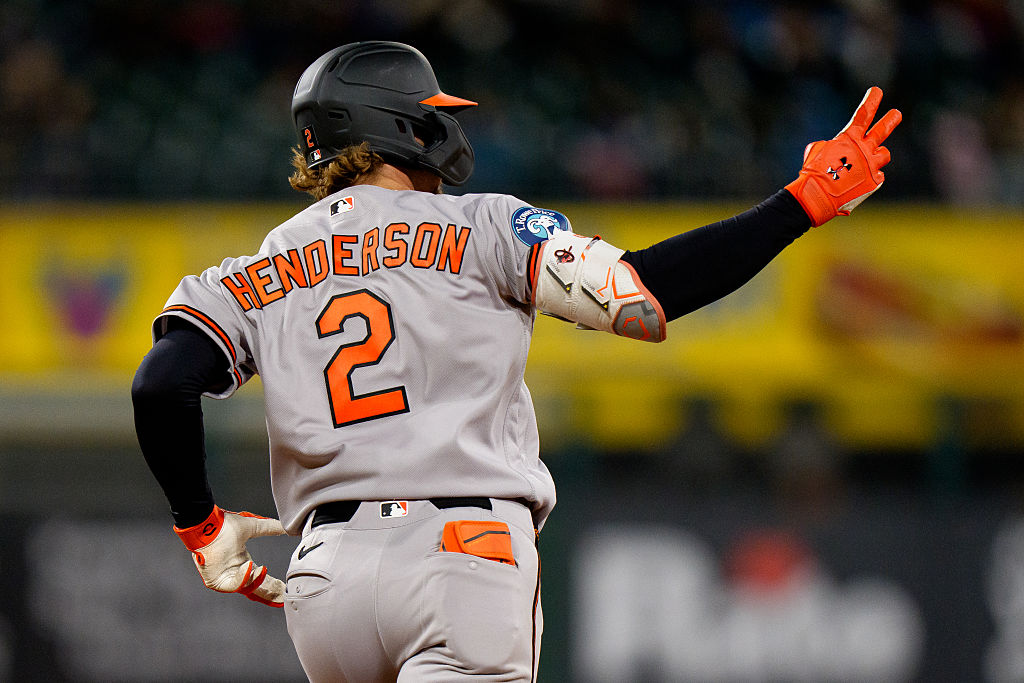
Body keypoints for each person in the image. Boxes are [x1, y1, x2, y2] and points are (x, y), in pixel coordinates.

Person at [131, 40, 900, 682]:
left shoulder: (253, 270)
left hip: (325, 577)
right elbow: (645, 295)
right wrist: (801, 202)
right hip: (460, 554)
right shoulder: (483, 226)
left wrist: (201, 525)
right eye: (432, 113)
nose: (445, 128)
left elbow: (160, 383)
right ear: (399, 124)